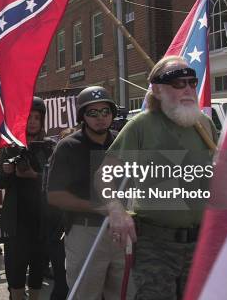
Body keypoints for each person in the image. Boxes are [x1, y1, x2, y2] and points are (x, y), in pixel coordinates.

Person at [101, 56, 218, 299]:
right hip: (156, 244)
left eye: (191, 82)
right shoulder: (141, 125)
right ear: (157, 89)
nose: (188, 89)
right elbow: (104, 173)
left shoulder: (204, 124)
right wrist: (116, 210)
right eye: (178, 83)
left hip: (200, 242)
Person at [47, 86, 134, 299]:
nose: (100, 118)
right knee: (85, 294)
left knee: (125, 294)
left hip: (122, 234)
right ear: (82, 116)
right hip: (85, 232)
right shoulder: (67, 147)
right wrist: (100, 208)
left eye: (105, 112)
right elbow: (54, 196)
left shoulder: (121, 143)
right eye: (92, 113)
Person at [0, 97, 56, 300]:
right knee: (16, 275)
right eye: (28, 117)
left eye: (37, 118)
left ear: (42, 121)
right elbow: (0, 183)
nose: (32, 122)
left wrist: (34, 176)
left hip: (41, 221)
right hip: (17, 222)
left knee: (37, 272)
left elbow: (57, 182)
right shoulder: (10, 147)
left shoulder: (50, 147)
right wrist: (6, 171)